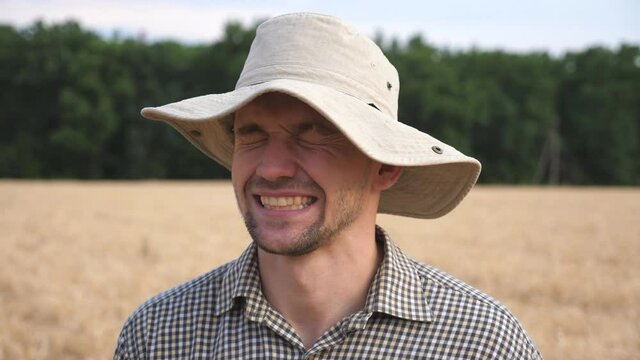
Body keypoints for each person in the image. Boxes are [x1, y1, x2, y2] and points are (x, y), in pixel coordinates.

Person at [114, 13, 542, 359]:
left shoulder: (482, 344)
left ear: (385, 166)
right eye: (252, 134)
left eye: (315, 133)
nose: (274, 168)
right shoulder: (158, 337)